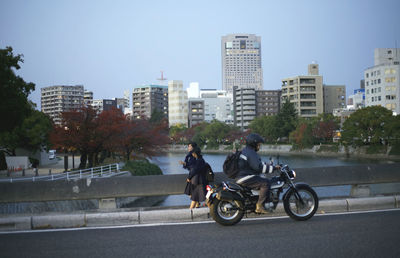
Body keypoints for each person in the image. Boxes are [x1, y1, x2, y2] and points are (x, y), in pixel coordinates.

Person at [235, 133, 279, 214]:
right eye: (258, 144)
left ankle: (258, 201)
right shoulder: (251, 152)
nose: (259, 146)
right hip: (245, 177)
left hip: (242, 176)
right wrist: (274, 168)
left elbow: (258, 163)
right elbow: (259, 167)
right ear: (253, 143)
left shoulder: (247, 151)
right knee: (265, 183)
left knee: (262, 179)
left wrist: (268, 165)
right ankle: (260, 206)